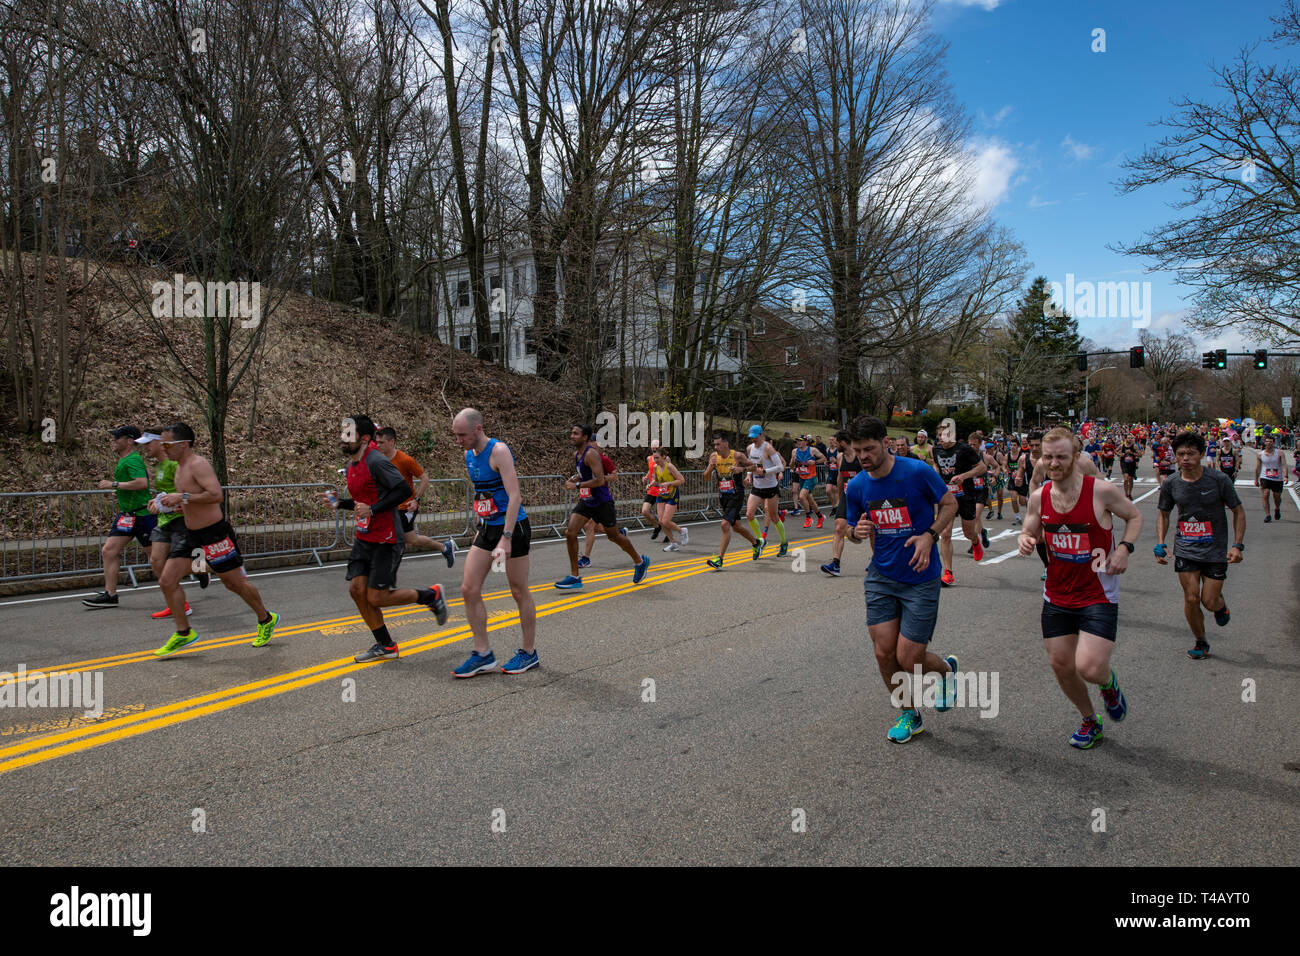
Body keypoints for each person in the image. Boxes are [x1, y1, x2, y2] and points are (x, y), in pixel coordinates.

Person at [1018, 427, 1143, 749]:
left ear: (1075, 457)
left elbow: (1134, 516)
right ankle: (1090, 720)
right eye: (1048, 457)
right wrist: (1026, 539)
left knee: (1089, 667)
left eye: (1061, 456)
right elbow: (1030, 527)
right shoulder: (1039, 496)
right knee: (1061, 664)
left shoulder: (1100, 491)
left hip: (1097, 593)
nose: (1054, 463)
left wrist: (1124, 548)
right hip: (1057, 594)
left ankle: (1108, 684)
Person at [842, 415, 959, 744]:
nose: (863, 456)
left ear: (886, 443)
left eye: (869, 449)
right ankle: (910, 714)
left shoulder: (917, 471)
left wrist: (930, 535)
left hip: (920, 576)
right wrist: (855, 532)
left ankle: (947, 671)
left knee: (909, 658)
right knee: (884, 654)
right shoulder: (858, 486)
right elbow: (851, 529)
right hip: (881, 576)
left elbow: (949, 503)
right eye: (857, 451)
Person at [317, 415, 448, 663]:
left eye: (349, 435)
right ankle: (386, 645)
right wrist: (340, 503)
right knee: (356, 590)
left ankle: (431, 596)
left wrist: (374, 510)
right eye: (343, 433)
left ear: (364, 439)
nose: (343, 439)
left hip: (387, 537)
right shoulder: (353, 464)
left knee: (377, 597)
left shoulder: (376, 461)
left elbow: (402, 489)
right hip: (365, 537)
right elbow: (363, 502)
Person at [154, 423, 282, 656]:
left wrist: (181, 496)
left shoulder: (198, 465)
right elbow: (188, 504)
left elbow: (216, 495)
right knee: (167, 580)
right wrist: (166, 507)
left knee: (234, 584)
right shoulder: (178, 468)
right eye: (162, 444)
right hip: (191, 535)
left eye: (167, 444)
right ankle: (184, 633)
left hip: (214, 535)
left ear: (183, 444)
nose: (163, 449)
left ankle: (266, 618)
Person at [450, 407, 539, 676]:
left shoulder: (499, 451)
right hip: (487, 528)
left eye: (462, 434)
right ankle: (483, 653)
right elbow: (483, 495)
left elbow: (514, 497)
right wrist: (482, 525)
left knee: (518, 590)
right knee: (469, 588)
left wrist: (507, 538)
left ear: (478, 429)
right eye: (455, 435)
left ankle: (529, 653)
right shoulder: (469, 455)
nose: (458, 440)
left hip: (513, 528)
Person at [1154, 431, 1245, 660]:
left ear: (1202, 454)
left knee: (1209, 601)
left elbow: (1238, 511)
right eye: (1180, 454)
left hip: (1214, 549)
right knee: (1192, 598)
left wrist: (1237, 545)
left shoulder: (1218, 480)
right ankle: (1201, 641)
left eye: (1191, 453)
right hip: (1186, 548)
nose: (1185, 458)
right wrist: (1160, 543)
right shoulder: (1172, 483)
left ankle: (1220, 606)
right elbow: (1163, 513)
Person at [555, 424, 651, 587]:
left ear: (585, 437)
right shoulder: (576, 455)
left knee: (613, 536)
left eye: (575, 433)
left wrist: (577, 486)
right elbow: (585, 475)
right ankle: (575, 577)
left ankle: (640, 561)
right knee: (570, 532)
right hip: (587, 502)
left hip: (602, 502)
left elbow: (599, 480)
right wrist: (576, 480)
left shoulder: (591, 454)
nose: (571, 436)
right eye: (571, 433)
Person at [83, 426, 156, 608]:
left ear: (130, 440)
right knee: (109, 551)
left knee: (156, 559)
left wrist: (113, 484)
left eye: (117, 438)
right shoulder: (127, 459)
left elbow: (142, 483)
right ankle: (110, 594)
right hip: (127, 516)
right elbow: (141, 480)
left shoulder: (133, 459)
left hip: (142, 516)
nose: (113, 441)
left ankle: (194, 569)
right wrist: (121, 491)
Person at [142, 431, 208, 620]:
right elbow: (166, 492)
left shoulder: (175, 465)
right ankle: (176, 603)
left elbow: (190, 492)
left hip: (180, 519)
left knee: (180, 564)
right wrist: (155, 503)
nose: (146, 448)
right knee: (156, 561)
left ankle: (206, 567)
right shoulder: (162, 465)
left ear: (159, 442)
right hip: (164, 520)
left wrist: (181, 505)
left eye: (148, 443)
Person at [374, 426, 456, 567]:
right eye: (377, 442)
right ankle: (445, 547)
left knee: (397, 538)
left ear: (392, 442)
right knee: (411, 539)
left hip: (405, 507)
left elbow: (424, 478)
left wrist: (416, 499)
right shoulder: (379, 460)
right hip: (389, 506)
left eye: (382, 442)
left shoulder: (405, 460)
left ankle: (389, 569)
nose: (378, 445)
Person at [930, 418, 987, 585]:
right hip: (947, 497)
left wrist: (963, 476)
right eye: (938, 435)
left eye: (943, 435)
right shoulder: (937, 449)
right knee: (945, 533)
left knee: (968, 532)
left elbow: (982, 468)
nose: (940, 438)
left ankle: (975, 542)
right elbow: (936, 464)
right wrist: (936, 475)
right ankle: (948, 572)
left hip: (965, 495)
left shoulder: (964, 449)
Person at [704, 434, 758, 569]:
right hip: (724, 496)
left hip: (736, 494)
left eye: (718, 444)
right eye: (714, 445)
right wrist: (710, 466)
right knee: (736, 527)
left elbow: (754, 467)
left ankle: (720, 559)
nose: (716, 447)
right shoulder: (713, 457)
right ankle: (756, 543)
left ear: (726, 444)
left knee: (724, 525)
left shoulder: (737, 456)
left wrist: (742, 469)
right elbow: (705, 477)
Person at [822, 430, 864, 576]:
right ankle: (835, 564)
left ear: (843, 442)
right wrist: (840, 498)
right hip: (847, 496)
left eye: (836, 442)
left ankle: (876, 561)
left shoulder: (860, 456)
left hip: (863, 497)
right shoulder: (840, 457)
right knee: (839, 528)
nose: (834, 444)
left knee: (872, 530)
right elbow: (840, 478)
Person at [745, 425, 787, 557]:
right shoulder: (750, 448)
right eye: (751, 437)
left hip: (770, 487)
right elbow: (751, 465)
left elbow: (780, 466)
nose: (753, 440)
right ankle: (760, 541)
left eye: (755, 437)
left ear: (761, 435)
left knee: (774, 517)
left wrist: (765, 471)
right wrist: (748, 475)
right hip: (757, 487)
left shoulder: (768, 448)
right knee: (749, 514)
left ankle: (784, 542)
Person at [651, 448, 687, 551]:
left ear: (663, 456)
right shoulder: (655, 467)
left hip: (672, 495)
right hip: (662, 495)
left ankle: (682, 531)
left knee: (666, 521)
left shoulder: (670, 467)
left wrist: (669, 483)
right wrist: (651, 484)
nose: (656, 460)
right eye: (654, 458)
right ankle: (673, 543)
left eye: (657, 458)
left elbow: (682, 480)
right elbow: (657, 481)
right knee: (661, 522)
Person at [792, 435, 827, 529]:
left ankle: (808, 518)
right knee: (810, 500)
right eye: (797, 441)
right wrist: (792, 461)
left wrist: (815, 462)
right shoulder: (795, 451)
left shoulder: (812, 450)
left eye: (800, 441)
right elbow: (791, 466)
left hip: (811, 477)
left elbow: (824, 458)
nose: (798, 443)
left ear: (806, 442)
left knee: (802, 496)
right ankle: (820, 517)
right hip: (801, 477)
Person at [1255, 434, 1288, 522]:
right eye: (1267, 441)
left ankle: (1277, 508)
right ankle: (1268, 515)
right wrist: (1256, 479)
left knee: (1276, 496)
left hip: (1277, 478)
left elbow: (1284, 465)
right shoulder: (1260, 454)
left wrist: (1285, 476)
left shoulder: (1280, 453)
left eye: (1270, 441)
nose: (1268, 443)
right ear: (1264, 442)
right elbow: (1257, 468)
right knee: (1265, 495)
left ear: (1273, 443)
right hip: (1265, 477)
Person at [642, 440, 664, 540]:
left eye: (656, 447)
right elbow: (651, 469)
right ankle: (657, 526)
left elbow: (668, 470)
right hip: (652, 489)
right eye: (652, 447)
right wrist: (647, 477)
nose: (654, 448)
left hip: (662, 489)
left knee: (662, 517)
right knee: (645, 511)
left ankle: (668, 535)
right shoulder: (649, 458)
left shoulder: (665, 458)